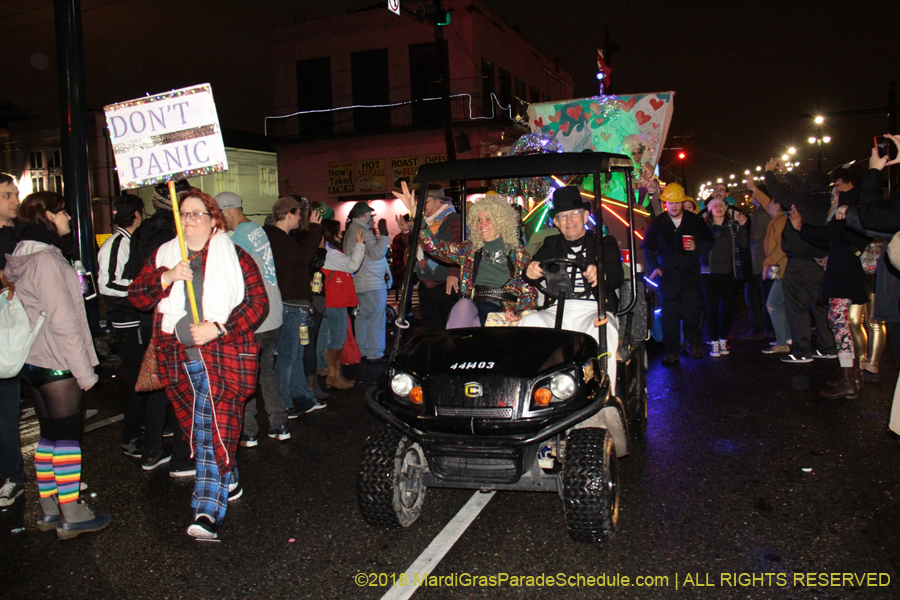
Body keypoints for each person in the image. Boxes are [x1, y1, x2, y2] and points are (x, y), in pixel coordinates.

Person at [129, 189, 268, 539]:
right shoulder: (165, 255)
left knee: (210, 433)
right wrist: (167, 277)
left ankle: (206, 511)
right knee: (204, 428)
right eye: (184, 214)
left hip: (224, 358)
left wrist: (219, 328)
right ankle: (230, 479)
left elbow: (257, 303)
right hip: (179, 361)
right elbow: (137, 295)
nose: (189, 221)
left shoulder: (234, 256)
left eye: (196, 214)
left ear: (213, 220)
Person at [3, 191, 109, 538]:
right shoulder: (47, 259)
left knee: (48, 436)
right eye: (63, 213)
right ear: (48, 216)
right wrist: (84, 371)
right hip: (56, 361)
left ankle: (49, 507)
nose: (67, 219)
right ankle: (71, 511)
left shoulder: (21, 254)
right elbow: (63, 321)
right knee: (67, 438)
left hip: (33, 360)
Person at [123, 180, 196, 478]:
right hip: (173, 315)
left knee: (158, 385)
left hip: (151, 315)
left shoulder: (143, 232)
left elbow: (135, 277)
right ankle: (183, 454)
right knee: (182, 387)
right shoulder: (175, 236)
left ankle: (151, 450)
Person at [520, 186, 624, 387]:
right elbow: (530, 271)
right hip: (557, 309)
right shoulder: (551, 244)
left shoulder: (604, 243)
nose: (569, 221)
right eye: (563, 216)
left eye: (575, 214)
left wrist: (600, 274)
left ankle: (604, 393)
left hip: (594, 308)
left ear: (586, 216)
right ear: (557, 223)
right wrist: (530, 270)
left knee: (604, 329)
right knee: (530, 322)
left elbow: (616, 275)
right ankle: (537, 391)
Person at [393, 185, 536, 327]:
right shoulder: (470, 250)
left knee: (473, 323)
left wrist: (516, 309)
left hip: (503, 310)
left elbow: (529, 294)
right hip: (474, 306)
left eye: (488, 219)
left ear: (501, 222)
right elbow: (435, 248)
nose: (482, 224)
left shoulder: (519, 255)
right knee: (463, 304)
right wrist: (415, 211)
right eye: (479, 220)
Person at [99, 195, 170, 470]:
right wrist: (142, 287)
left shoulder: (126, 240)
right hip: (127, 321)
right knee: (140, 382)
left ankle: (143, 429)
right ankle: (130, 438)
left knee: (143, 380)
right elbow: (107, 284)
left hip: (132, 319)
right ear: (138, 214)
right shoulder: (119, 242)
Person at [215, 192, 289, 446]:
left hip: (254, 317)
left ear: (232, 210)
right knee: (265, 371)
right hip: (273, 313)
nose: (219, 219)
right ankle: (279, 424)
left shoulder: (237, 238)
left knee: (244, 374)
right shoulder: (257, 230)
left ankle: (248, 431)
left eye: (220, 214)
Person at [792, 180, 870, 399]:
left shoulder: (849, 206)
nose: (834, 190)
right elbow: (832, 239)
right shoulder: (846, 208)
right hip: (844, 275)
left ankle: (849, 381)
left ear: (849, 185)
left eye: (838, 185)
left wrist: (801, 227)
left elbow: (831, 233)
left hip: (845, 277)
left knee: (839, 323)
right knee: (840, 324)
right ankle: (852, 376)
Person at [763, 160, 837, 363]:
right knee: (820, 307)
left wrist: (769, 172)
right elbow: (798, 187)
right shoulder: (828, 202)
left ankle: (802, 351)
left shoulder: (802, 202)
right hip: (821, 262)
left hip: (799, 263)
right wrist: (787, 173)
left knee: (797, 309)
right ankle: (828, 347)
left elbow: (776, 191)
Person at [641, 183, 715, 364]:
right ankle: (672, 351)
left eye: (677, 202)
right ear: (665, 203)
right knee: (669, 315)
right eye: (669, 203)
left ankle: (695, 344)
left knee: (692, 311)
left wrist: (697, 246)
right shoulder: (657, 223)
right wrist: (654, 268)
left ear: (683, 202)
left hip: (690, 275)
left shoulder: (694, 221)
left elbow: (709, 242)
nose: (673, 206)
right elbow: (647, 248)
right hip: (668, 277)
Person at [264, 196, 325, 416]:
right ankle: (284, 404)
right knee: (288, 356)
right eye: (298, 214)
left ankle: (303, 398)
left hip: (294, 303)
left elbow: (294, 263)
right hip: (289, 305)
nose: (300, 218)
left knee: (296, 355)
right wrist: (316, 229)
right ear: (289, 214)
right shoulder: (276, 237)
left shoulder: (279, 237)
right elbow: (304, 257)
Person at [397, 185, 462, 331]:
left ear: (438, 201)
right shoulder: (424, 223)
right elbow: (413, 246)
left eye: (425, 202)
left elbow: (460, 248)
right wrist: (407, 232)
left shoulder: (454, 220)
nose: (422, 206)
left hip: (446, 285)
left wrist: (453, 273)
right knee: (432, 330)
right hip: (426, 285)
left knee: (450, 328)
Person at [0, 173, 25, 507]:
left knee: (7, 410)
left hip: (15, 332)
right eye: (7, 195)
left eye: (15, 194)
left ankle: (13, 476)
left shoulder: (19, 235)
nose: (15, 201)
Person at [700, 197, 748, 357]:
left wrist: (742, 227)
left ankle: (722, 337)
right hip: (709, 274)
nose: (718, 208)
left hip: (728, 273)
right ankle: (713, 341)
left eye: (721, 206)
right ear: (710, 210)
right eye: (715, 206)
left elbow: (744, 244)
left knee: (728, 311)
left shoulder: (732, 227)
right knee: (712, 310)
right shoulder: (704, 228)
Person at [320, 219, 365, 388]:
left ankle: (330, 372)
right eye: (338, 232)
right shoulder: (330, 253)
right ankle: (333, 376)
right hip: (336, 301)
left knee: (328, 337)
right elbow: (352, 265)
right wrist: (360, 246)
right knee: (337, 338)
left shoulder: (327, 252)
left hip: (331, 300)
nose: (340, 235)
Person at [343, 202, 391, 362]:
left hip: (359, 282)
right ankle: (375, 352)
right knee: (375, 318)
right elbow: (377, 253)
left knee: (363, 316)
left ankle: (363, 349)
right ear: (364, 215)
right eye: (370, 214)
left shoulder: (350, 231)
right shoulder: (362, 231)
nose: (371, 217)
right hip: (372, 282)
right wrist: (384, 235)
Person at [742, 178, 774, 340]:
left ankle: (759, 329)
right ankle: (770, 329)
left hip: (758, 261)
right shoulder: (772, 213)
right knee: (769, 296)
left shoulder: (759, 215)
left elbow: (754, 237)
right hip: (771, 260)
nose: (751, 197)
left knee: (753, 296)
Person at [760, 191, 791, 354]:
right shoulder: (778, 219)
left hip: (783, 268)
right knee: (780, 304)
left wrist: (767, 262)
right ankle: (786, 338)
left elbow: (781, 247)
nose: (767, 205)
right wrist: (752, 188)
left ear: (777, 205)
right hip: (779, 268)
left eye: (771, 202)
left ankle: (782, 342)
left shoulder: (780, 221)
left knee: (772, 304)